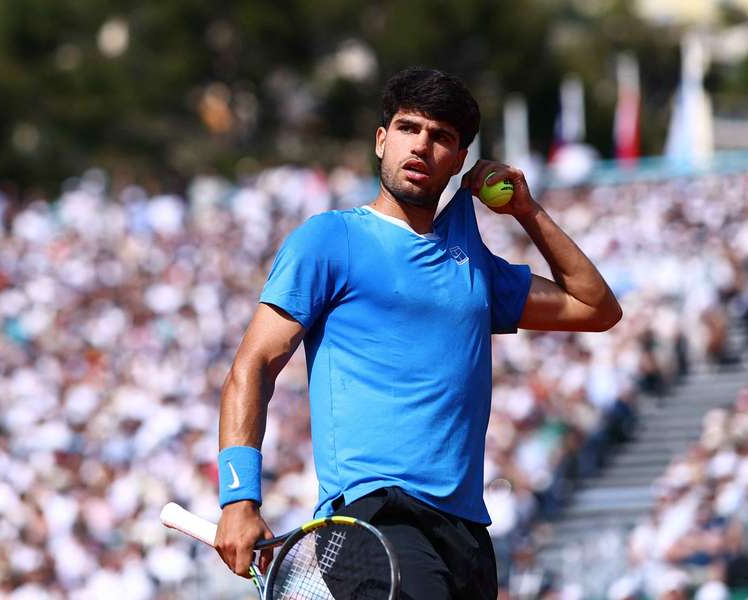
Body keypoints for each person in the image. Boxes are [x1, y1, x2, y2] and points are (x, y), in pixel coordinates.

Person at [213, 66, 622, 599]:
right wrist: (238, 499)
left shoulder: (475, 269)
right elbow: (254, 365)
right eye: (408, 128)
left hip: (467, 533)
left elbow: (596, 306)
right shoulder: (327, 239)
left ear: (459, 161)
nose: (421, 145)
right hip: (375, 518)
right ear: (382, 140)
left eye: (441, 137)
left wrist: (527, 210)